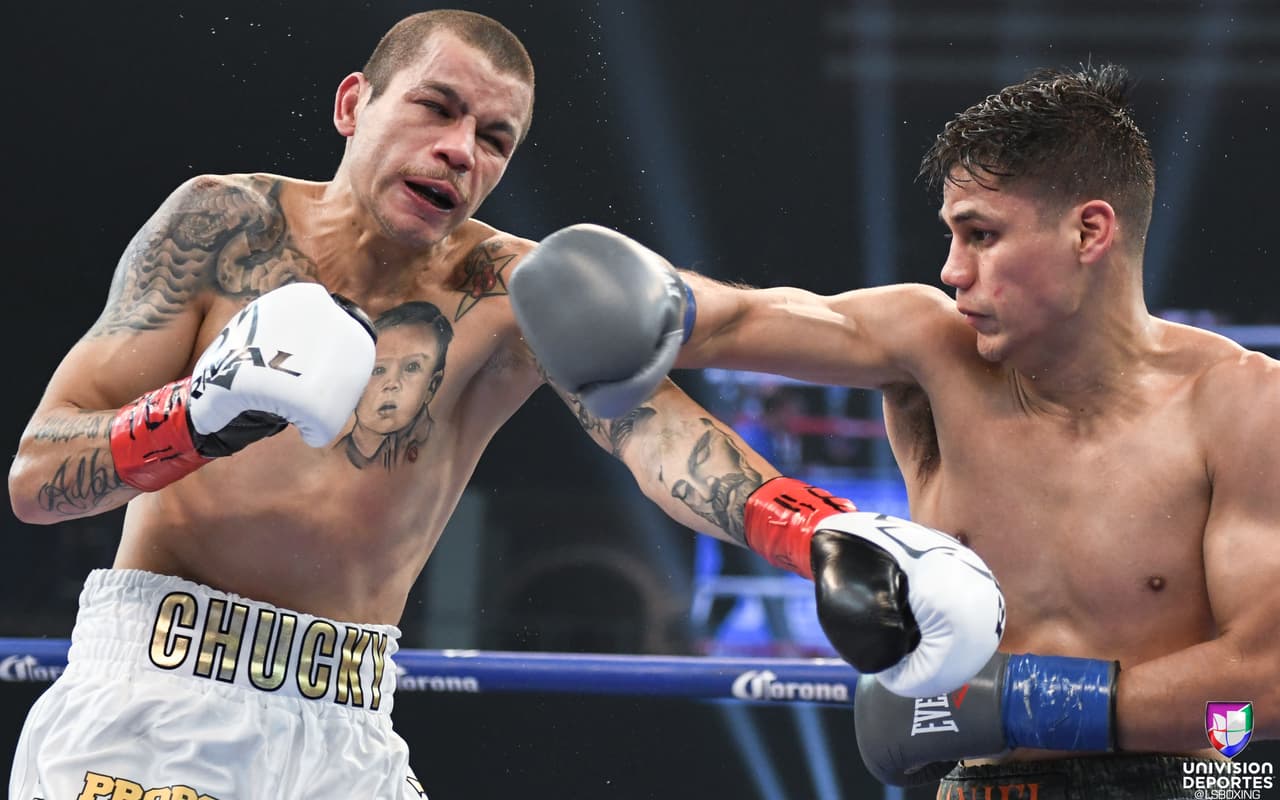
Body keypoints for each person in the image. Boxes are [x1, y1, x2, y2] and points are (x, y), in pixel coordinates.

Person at [6, 10, 1005, 799]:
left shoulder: (512, 290)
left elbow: (653, 429)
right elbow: (39, 476)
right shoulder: (221, 222)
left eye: (493, 137)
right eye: (436, 109)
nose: (460, 151)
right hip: (155, 689)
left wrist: (810, 533)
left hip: (344, 726)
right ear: (354, 102)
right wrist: (197, 414)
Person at [511, 64, 1279, 797]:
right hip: (977, 787)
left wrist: (1018, 703)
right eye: (951, 235)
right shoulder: (929, 351)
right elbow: (747, 317)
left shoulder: (1239, 406)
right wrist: (656, 303)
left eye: (980, 235)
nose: (952, 269)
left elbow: (1262, 695)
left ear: (1089, 232)